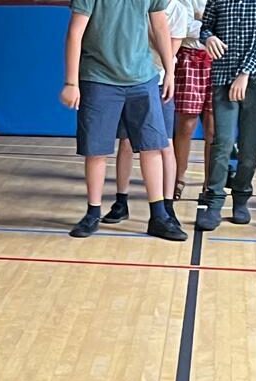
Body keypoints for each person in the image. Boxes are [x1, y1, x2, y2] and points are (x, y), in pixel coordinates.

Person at [61, 0, 188, 241]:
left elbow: (160, 25)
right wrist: (71, 82)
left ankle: (159, 216)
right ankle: (92, 213)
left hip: (143, 78)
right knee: (96, 150)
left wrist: (170, 71)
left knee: (152, 146)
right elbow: (75, 33)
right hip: (99, 78)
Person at [196, 0, 256, 231]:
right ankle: (214, 202)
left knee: (249, 146)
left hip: (253, 80)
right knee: (222, 142)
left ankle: (241, 197)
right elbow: (206, 27)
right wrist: (208, 38)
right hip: (223, 76)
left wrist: (245, 73)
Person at [103, 0, 189, 227]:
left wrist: (152, 23)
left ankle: (167, 205)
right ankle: (121, 201)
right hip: (132, 80)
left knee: (165, 145)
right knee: (126, 142)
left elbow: (167, 53)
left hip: (159, 82)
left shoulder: (178, 11)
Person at [172, 0, 215, 200]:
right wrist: (211, 26)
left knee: (213, 127)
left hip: (218, 57)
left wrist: (202, 21)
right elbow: (184, 25)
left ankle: (210, 184)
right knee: (186, 124)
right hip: (189, 57)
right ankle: (178, 178)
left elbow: (226, 25)